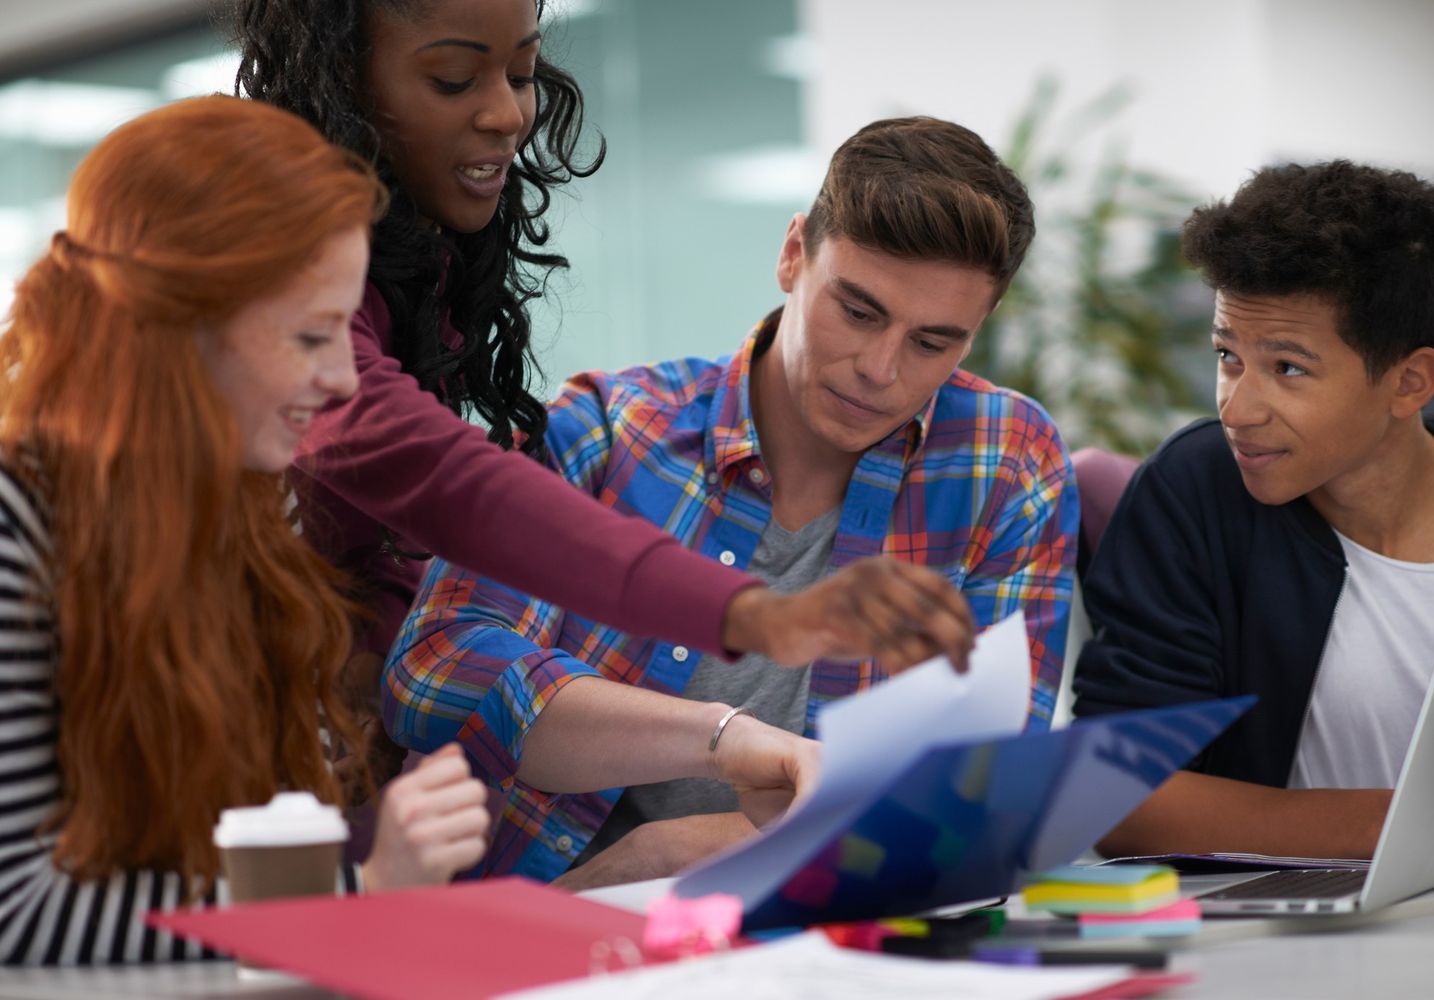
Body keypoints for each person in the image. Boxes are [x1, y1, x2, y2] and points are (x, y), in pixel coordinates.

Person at [231, 0, 979, 774]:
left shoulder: (417, 260)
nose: (506, 113)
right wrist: (751, 614)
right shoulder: (609, 422)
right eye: (454, 80)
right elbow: (444, 487)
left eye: (522, 73)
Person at [386, 116, 1079, 887]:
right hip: (560, 919)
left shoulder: (1006, 462)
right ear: (792, 255)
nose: (881, 370)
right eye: (858, 311)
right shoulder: (608, 434)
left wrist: (681, 853)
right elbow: (431, 674)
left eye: (933, 343)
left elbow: (980, 785)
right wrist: (717, 739)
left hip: (835, 928)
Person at [0, 96, 492, 966]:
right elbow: (15, 912)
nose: (344, 380)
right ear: (180, 329)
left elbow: (256, 843)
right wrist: (363, 894)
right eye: (311, 335)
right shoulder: (19, 512)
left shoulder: (254, 498)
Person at [1072, 160, 1434, 860]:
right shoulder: (1195, 492)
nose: (1236, 408)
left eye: (1287, 368)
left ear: (1409, 380)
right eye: (1227, 355)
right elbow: (1111, 795)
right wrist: (1396, 822)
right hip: (1280, 940)